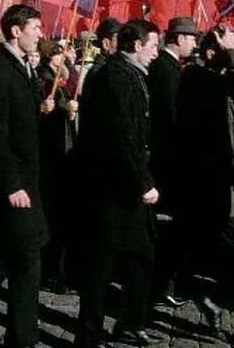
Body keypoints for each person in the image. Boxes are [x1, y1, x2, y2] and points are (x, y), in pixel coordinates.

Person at [74, 19, 162, 348]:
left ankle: (130, 322)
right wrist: (143, 182)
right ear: (136, 46)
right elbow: (124, 137)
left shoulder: (129, 74)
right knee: (101, 267)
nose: (156, 52)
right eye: (152, 46)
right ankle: (88, 336)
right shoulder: (117, 77)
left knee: (142, 256)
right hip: (112, 190)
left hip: (126, 188)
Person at [0, 4, 52, 348]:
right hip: (14, 183)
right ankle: (22, 339)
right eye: (35, 27)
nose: (41, 34)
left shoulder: (22, 66)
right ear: (16, 31)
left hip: (28, 177)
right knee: (27, 259)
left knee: (8, 253)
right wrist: (12, 184)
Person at [170, 25, 234, 333]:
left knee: (194, 241)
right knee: (233, 245)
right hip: (208, 179)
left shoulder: (218, 82)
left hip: (222, 178)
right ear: (211, 53)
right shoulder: (197, 78)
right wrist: (233, 52)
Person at [149, 17, 199, 307]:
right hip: (166, 162)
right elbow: (169, 119)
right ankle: (158, 289)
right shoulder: (167, 71)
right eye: (191, 38)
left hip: (166, 160)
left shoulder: (170, 68)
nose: (193, 43)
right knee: (165, 231)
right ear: (179, 39)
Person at [35, 39, 78, 292]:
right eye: (58, 53)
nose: (63, 57)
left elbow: (71, 83)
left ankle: (56, 271)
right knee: (53, 216)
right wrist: (57, 110)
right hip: (49, 155)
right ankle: (51, 272)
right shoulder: (44, 79)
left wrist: (70, 110)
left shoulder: (59, 77)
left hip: (62, 151)